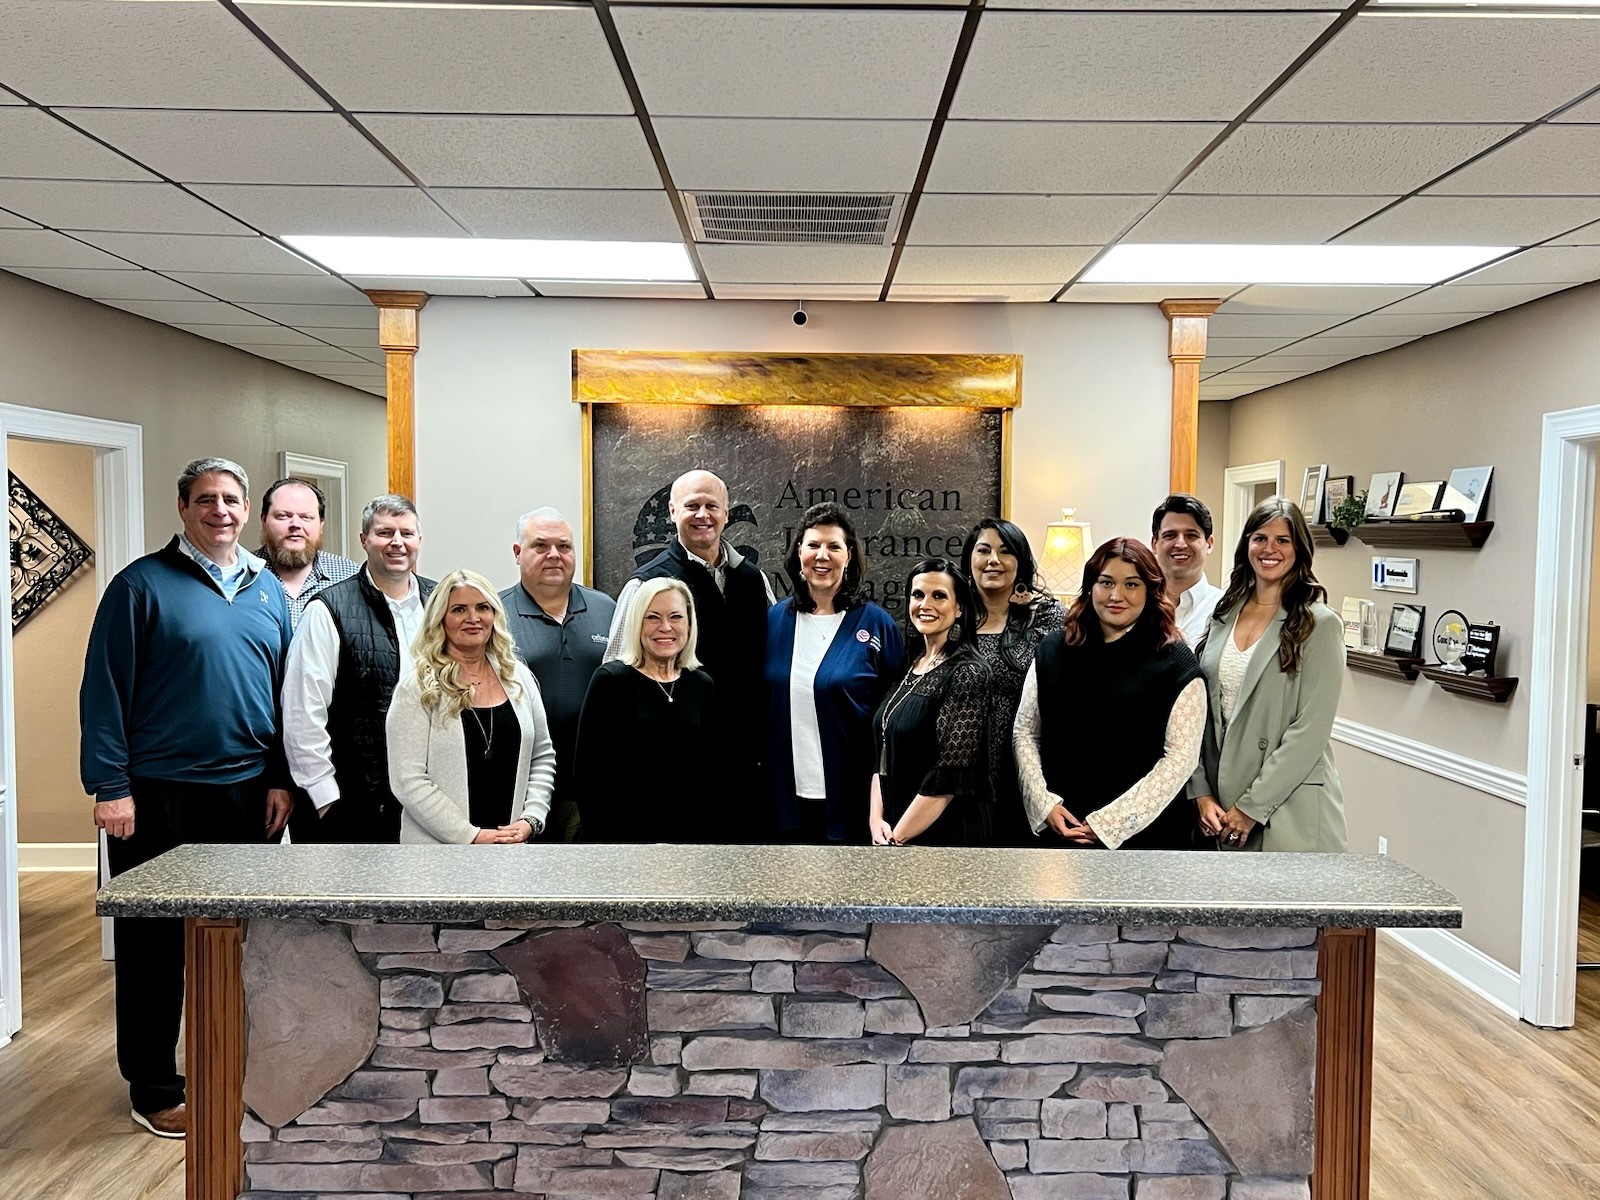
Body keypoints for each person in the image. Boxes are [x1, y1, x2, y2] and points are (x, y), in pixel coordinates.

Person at [79, 457, 294, 1139]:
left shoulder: (268, 592)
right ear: (183, 508)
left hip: (244, 792)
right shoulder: (140, 586)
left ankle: (226, 1063)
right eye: (207, 499)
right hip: (155, 795)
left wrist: (281, 778)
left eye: (232, 500)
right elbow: (103, 692)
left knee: (236, 941)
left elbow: (287, 694)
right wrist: (110, 787)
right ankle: (154, 1083)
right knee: (153, 948)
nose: (221, 511)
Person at [605, 469, 774, 837]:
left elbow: (774, 659)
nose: (703, 515)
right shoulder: (645, 583)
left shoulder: (754, 580)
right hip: (673, 775)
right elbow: (616, 674)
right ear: (671, 511)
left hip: (749, 769)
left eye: (712, 506)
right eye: (691, 506)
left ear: (727, 513)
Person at [1014, 538, 1205, 850]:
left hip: (1143, 842)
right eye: (1106, 582)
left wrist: (1109, 823)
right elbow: (1025, 731)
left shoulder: (1176, 662)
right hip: (1058, 830)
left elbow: (1180, 759)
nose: (1117, 595)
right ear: (1091, 587)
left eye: (1132, 584)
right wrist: (1043, 803)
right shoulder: (1052, 648)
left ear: (1150, 591)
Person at [1189, 497, 1348, 853]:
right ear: (1246, 544)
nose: (1269, 549)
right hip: (1219, 807)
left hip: (1286, 808)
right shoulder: (1224, 613)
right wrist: (1200, 789)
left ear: (1299, 549)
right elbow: (1199, 709)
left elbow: (1309, 731)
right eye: (1260, 538)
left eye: (1282, 540)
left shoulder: (1320, 624)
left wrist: (1250, 808)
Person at [282, 495, 433, 844]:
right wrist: (324, 798)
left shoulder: (440, 603)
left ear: (419, 542)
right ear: (364, 540)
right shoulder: (327, 610)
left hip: (425, 802)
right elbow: (303, 713)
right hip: (350, 804)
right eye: (385, 533)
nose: (397, 542)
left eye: (407, 533)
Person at [385, 570, 555, 845]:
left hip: (510, 850)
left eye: (482, 608)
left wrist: (531, 818)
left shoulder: (519, 679)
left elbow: (542, 756)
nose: (473, 618)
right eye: (459, 609)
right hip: (436, 858)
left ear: (494, 616)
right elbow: (408, 780)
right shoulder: (416, 688)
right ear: (440, 618)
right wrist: (470, 836)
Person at [766, 503, 903, 843]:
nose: (822, 556)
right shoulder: (773, 622)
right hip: (784, 803)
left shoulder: (876, 624)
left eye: (834, 546)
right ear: (799, 553)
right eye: (813, 545)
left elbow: (896, 717)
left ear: (850, 555)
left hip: (855, 804)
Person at [500, 507, 615, 843]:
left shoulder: (606, 608)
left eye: (564, 546)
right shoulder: (494, 613)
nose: (554, 555)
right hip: (523, 788)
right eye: (541, 546)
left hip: (595, 787)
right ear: (517, 553)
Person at [577, 578, 717, 843]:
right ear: (636, 623)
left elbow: (711, 774)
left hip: (690, 843)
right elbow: (589, 778)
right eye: (652, 617)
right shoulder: (610, 680)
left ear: (689, 623)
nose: (665, 627)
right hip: (626, 843)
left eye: (676, 617)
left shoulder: (701, 684)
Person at [870, 558, 991, 847]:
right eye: (918, 594)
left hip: (944, 835)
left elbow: (948, 777)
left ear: (959, 607)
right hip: (895, 831)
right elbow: (881, 752)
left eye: (939, 596)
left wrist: (897, 838)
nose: (925, 604)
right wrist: (876, 821)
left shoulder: (968, 672)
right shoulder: (909, 664)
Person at [963, 518, 1064, 844]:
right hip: (962, 778)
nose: (993, 560)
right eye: (984, 550)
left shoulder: (1047, 617)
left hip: (1027, 773)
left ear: (1020, 562)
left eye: (1005, 551)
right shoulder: (952, 618)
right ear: (970, 560)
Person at [256, 477, 359, 629]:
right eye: (283, 516)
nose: (295, 525)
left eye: (306, 517)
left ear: (321, 525)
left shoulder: (352, 577)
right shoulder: (241, 573)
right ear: (264, 520)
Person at [1152, 493, 1222, 646]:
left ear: (1209, 544)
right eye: (1170, 535)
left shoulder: (1225, 609)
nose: (1180, 544)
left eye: (1191, 535)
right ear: (1154, 544)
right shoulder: (1137, 605)